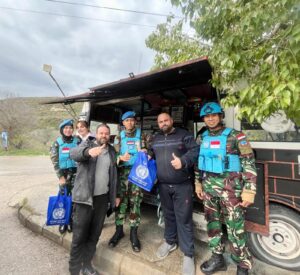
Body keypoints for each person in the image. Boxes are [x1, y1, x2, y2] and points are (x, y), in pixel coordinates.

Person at [195, 102, 257, 275]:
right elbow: (197, 163)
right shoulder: (202, 138)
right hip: (208, 190)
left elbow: (249, 163)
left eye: (214, 115)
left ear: (221, 116)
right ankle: (217, 258)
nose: (210, 118)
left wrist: (249, 191)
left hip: (232, 192)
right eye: (207, 116)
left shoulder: (236, 136)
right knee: (212, 225)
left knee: (235, 227)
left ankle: (242, 265)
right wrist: (197, 183)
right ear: (204, 119)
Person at [149, 113, 199, 275]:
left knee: (183, 218)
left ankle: (188, 254)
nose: (163, 123)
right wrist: (146, 154)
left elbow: (195, 151)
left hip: (182, 185)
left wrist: (183, 161)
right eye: (160, 121)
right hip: (163, 185)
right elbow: (152, 153)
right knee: (168, 216)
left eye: (166, 120)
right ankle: (170, 242)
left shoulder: (184, 135)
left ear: (171, 121)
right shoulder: (155, 138)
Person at [69, 123, 119, 275]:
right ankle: (74, 270)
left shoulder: (111, 151)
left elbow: (113, 175)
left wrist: (115, 195)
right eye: (101, 133)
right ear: (96, 134)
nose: (104, 136)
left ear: (109, 136)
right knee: (79, 237)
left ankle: (87, 265)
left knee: (94, 235)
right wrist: (88, 152)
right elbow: (73, 153)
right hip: (84, 200)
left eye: (106, 133)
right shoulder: (87, 144)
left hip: (102, 200)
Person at [108, 111, 149, 252]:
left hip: (137, 173)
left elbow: (151, 151)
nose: (130, 123)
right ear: (123, 123)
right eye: (127, 121)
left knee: (135, 202)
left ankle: (133, 233)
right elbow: (113, 155)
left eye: (132, 120)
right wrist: (120, 158)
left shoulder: (142, 135)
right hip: (122, 174)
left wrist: (147, 153)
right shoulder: (119, 137)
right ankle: (119, 230)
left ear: (135, 122)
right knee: (120, 202)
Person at [50, 119, 79, 234]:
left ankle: (70, 220)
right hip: (64, 175)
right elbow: (54, 160)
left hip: (76, 173)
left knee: (73, 198)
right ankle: (63, 221)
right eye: (66, 128)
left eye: (70, 128)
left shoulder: (77, 141)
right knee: (63, 197)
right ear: (62, 130)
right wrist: (60, 177)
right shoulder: (57, 143)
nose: (68, 130)